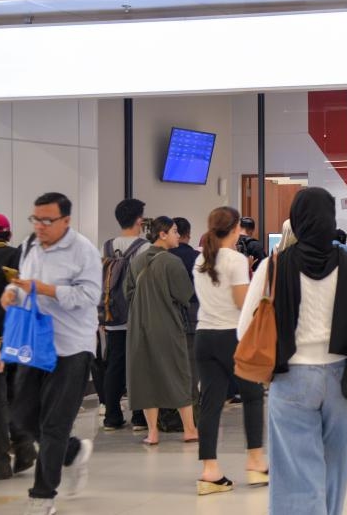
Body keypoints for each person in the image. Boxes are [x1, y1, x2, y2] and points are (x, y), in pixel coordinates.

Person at [239, 187, 347, 515]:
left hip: (291, 378)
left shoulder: (274, 266)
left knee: (295, 475)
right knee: (335, 471)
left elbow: (244, 329)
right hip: (344, 380)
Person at [1, 192, 101, 515]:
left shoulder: (83, 251)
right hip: (35, 344)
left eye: (47, 220)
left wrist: (45, 290)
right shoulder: (30, 244)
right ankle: (72, 452)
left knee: (54, 423)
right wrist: (11, 293)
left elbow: (89, 296)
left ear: (66, 220)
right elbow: (21, 283)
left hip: (72, 347)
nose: (40, 226)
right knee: (22, 416)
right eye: (36, 219)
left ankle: (43, 495)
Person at [193, 207, 267, 495]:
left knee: (210, 402)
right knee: (253, 395)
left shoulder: (201, 259)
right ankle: (255, 461)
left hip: (204, 335)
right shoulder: (235, 260)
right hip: (232, 336)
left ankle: (210, 471)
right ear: (236, 229)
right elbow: (241, 302)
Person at [124, 216, 199, 446]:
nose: (178, 235)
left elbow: (128, 293)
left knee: (146, 378)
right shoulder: (172, 262)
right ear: (162, 234)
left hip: (139, 327)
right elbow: (185, 294)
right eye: (174, 231)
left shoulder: (136, 261)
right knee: (179, 375)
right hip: (168, 326)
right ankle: (189, 429)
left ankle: (153, 433)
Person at [0, 213, 34, 480]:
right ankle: (25, 448)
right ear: (8, 235)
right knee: (16, 395)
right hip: (18, 338)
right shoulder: (20, 257)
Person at [99, 198, 150, 432]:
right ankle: (139, 417)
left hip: (112, 316)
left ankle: (112, 416)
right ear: (139, 220)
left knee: (114, 366)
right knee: (138, 366)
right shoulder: (144, 248)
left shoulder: (106, 246)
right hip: (136, 315)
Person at [169, 217, 201, 405]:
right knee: (191, 361)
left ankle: (172, 404)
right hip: (193, 312)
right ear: (188, 234)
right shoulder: (196, 257)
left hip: (168, 313)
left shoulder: (163, 256)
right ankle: (191, 402)